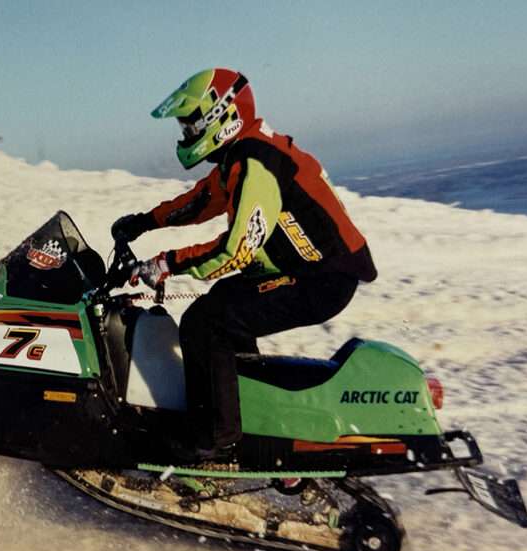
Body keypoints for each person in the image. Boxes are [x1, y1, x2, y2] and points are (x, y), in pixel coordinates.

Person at [112, 68, 377, 459]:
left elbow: (236, 252)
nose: (185, 133)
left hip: (321, 279)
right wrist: (145, 222)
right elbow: (203, 200)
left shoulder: (256, 163)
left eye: (190, 123)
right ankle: (245, 419)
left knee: (208, 323)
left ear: (221, 116)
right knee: (225, 303)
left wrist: (166, 264)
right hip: (303, 272)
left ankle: (214, 441)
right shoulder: (242, 154)